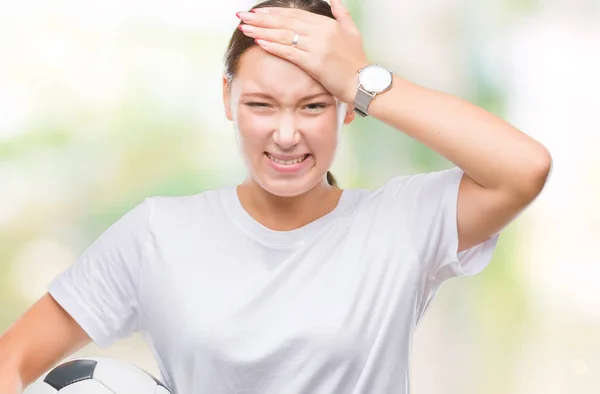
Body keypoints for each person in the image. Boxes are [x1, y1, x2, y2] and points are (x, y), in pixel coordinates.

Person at [0, 0, 552, 393]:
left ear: (346, 108)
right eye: (261, 105)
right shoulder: (158, 234)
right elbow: (12, 358)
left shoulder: (401, 224)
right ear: (227, 98)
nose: (286, 134)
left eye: (313, 105)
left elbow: (523, 169)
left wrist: (361, 78)